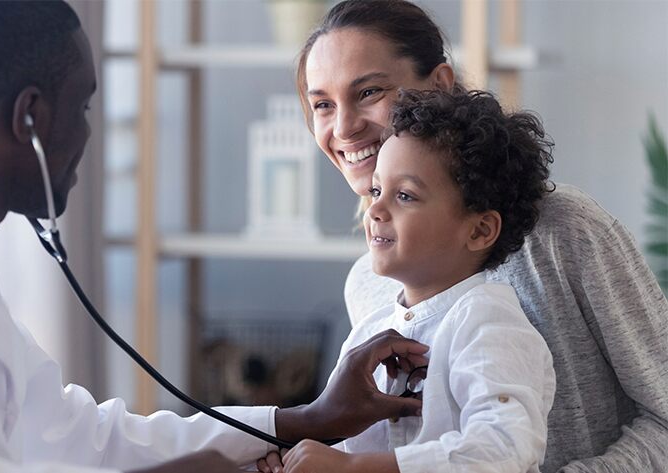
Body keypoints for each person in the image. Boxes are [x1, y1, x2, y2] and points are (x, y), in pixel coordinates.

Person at [0, 2, 431, 472]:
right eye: (84, 108)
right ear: (31, 119)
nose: (89, 137)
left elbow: (81, 436)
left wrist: (306, 418)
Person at [259, 1, 668, 472]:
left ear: (440, 86)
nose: (345, 127)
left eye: (369, 92)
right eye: (323, 105)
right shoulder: (370, 284)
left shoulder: (564, 232)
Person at [283, 87, 558, 472]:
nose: (375, 209)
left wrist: (352, 468)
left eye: (406, 196)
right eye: (377, 190)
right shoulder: (370, 332)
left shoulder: (489, 326)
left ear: (479, 230)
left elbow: (502, 449)